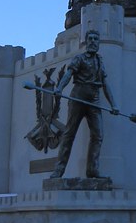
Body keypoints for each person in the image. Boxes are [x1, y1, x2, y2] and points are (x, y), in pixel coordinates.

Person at [50, 30, 119, 179]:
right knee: (69, 134)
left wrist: (113, 105)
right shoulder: (79, 59)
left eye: (96, 39)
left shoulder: (100, 61)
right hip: (78, 97)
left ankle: (92, 170)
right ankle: (59, 170)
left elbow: (105, 84)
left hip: (94, 98)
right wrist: (60, 88)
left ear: (98, 43)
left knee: (98, 135)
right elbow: (68, 74)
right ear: (86, 41)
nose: (93, 41)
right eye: (91, 39)